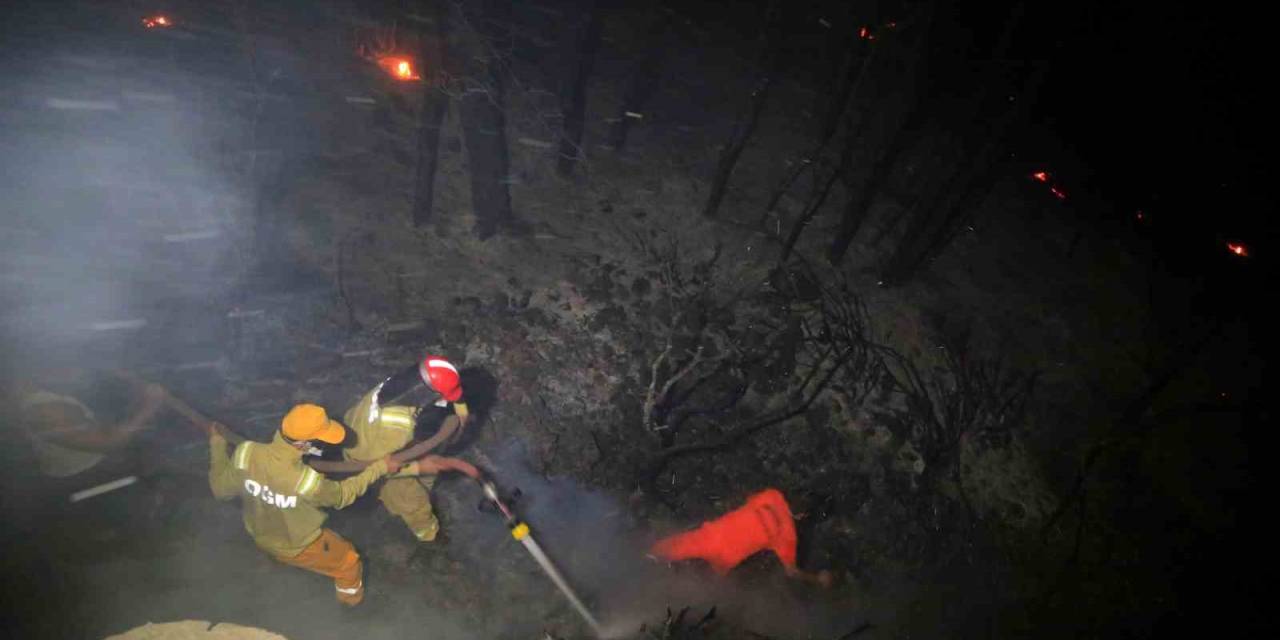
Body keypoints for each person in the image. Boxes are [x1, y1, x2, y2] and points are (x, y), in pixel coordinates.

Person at [209, 403, 421, 606]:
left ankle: (273, 561)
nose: (324, 444)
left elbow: (220, 490)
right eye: (321, 440)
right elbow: (343, 495)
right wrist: (380, 467)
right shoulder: (305, 481)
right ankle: (351, 607)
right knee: (349, 562)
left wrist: (217, 445)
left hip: (259, 532)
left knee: (276, 545)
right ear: (303, 445)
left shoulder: (246, 452)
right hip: (299, 546)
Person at [335, 355, 469, 542]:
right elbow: (385, 467)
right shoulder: (398, 427)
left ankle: (426, 489)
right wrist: (418, 467)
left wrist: (461, 409)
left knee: (427, 468)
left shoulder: (400, 384)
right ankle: (430, 536)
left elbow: (449, 392)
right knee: (413, 502)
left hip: (358, 428)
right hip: (369, 462)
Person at [649, 488, 832, 586]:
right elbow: (791, 572)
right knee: (702, 585)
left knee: (671, 548)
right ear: (802, 516)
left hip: (711, 535)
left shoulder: (773, 495)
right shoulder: (788, 537)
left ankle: (646, 561)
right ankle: (671, 593)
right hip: (725, 559)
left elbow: (749, 499)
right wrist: (817, 579)